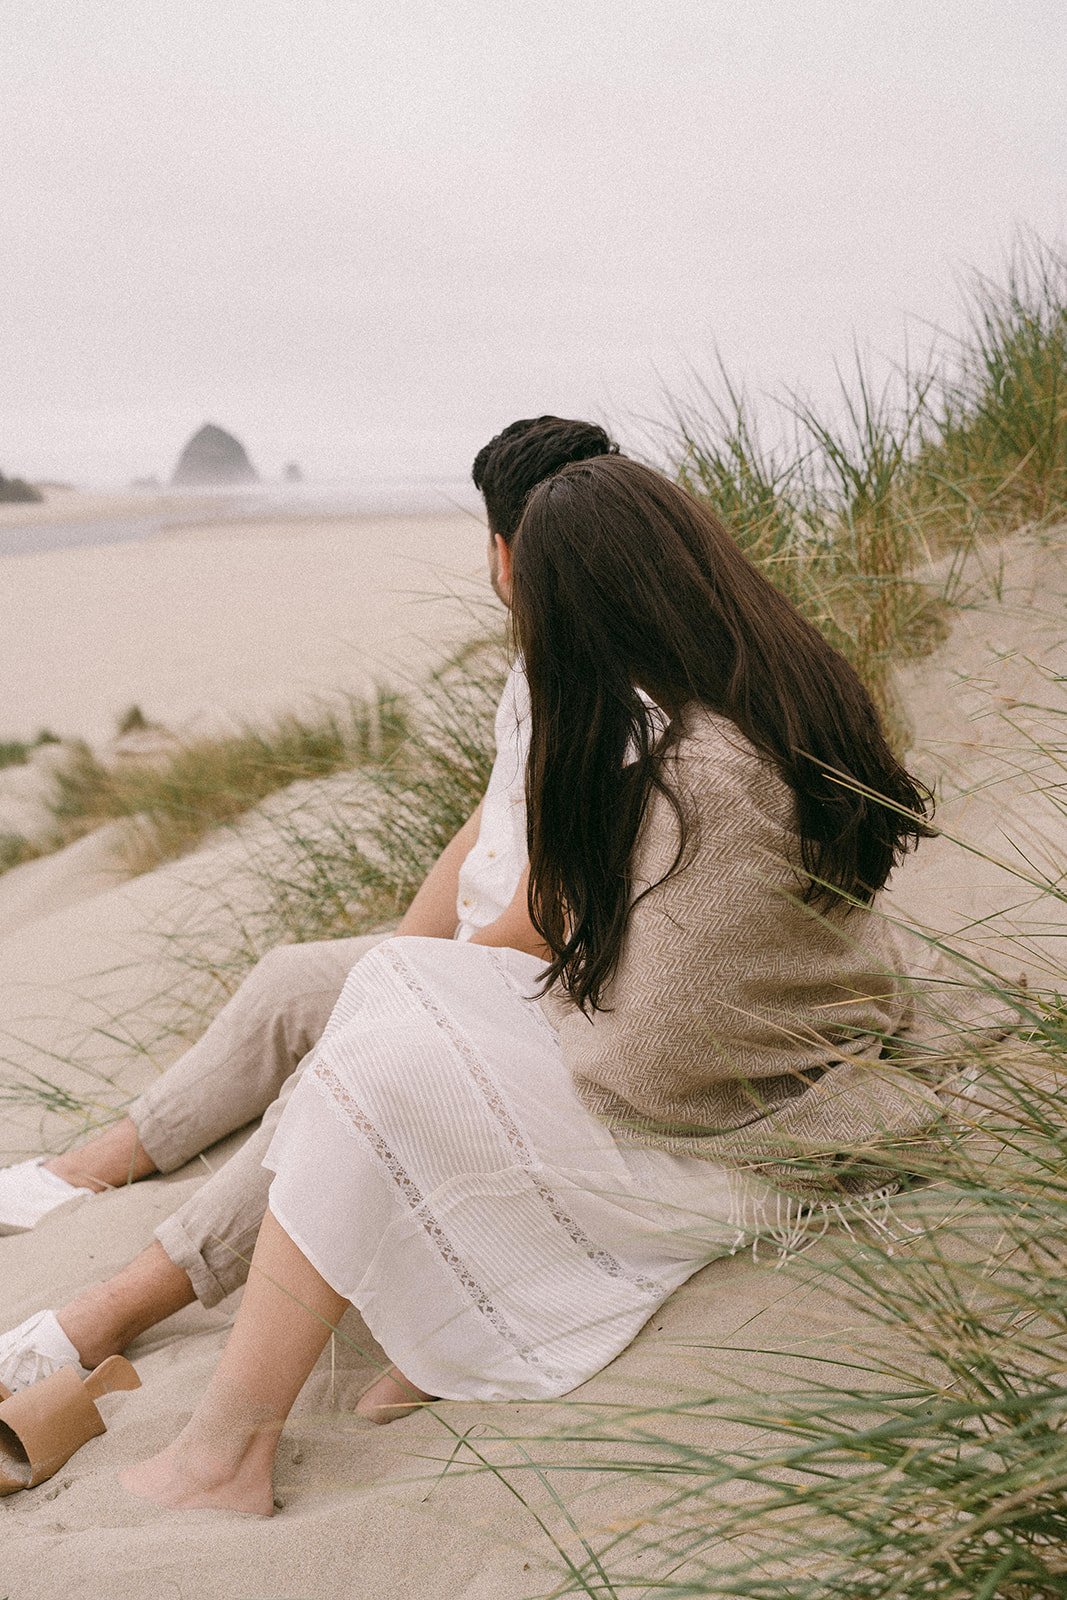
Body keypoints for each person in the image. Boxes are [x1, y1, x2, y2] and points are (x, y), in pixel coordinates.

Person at [106, 453, 1005, 1515]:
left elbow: (659, 1069)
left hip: (752, 1133)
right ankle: (324, 1378)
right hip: (761, 1070)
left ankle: (223, 1455)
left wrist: (528, 1032)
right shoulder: (761, 688)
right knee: (400, 979)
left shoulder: (698, 772)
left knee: (388, 1078)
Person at [0, 415, 620, 1414]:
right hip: (470, 953)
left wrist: (414, 988)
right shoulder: (541, 662)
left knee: (335, 1070)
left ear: (505, 555)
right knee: (299, 977)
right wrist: (402, 951)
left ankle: (105, 1316)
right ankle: (85, 1169)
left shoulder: (607, 694)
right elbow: (487, 822)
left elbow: (551, 917)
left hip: (526, 992)